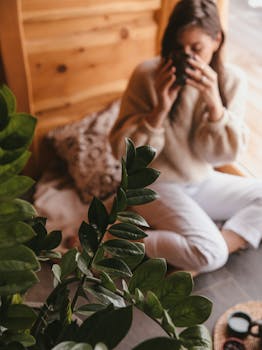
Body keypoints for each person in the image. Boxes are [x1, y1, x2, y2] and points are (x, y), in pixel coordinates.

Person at [109, 0, 262, 274]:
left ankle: (206, 248)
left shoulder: (231, 81)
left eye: (196, 48)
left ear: (216, 40)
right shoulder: (147, 75)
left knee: (217, 246)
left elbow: (224, 156)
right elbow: (121, 154)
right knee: (210, 255)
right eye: (179, 49)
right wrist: (159, 112)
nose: (187, 57)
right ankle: (119, 242)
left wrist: (215, 105)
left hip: (199, 180)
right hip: (152, 185)